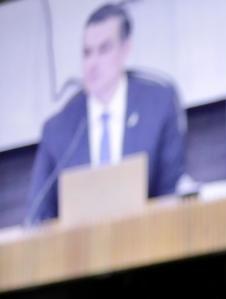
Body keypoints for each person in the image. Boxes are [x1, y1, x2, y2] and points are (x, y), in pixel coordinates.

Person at [25, 3, 186, 223]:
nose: (92, 63)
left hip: (149, 233)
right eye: (87, 53)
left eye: (104, 50)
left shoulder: (157, 105)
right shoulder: (58, 129)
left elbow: (172, 192)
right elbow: (38, 215)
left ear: (125, 50)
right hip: (80, 242)